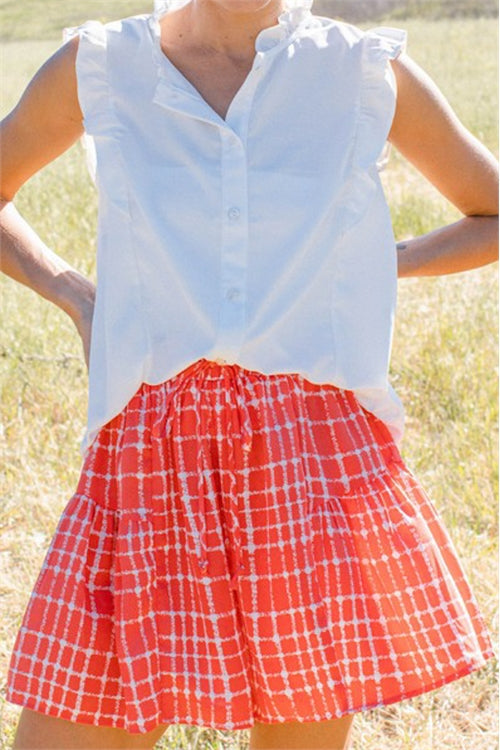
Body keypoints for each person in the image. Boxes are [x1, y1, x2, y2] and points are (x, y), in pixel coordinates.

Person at [1, 0, 497, 747]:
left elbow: (490, 209)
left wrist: (377, 263)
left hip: (307, 457)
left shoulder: (362, 71)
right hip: (146, 454)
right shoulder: (100, 65)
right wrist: (73, 295)